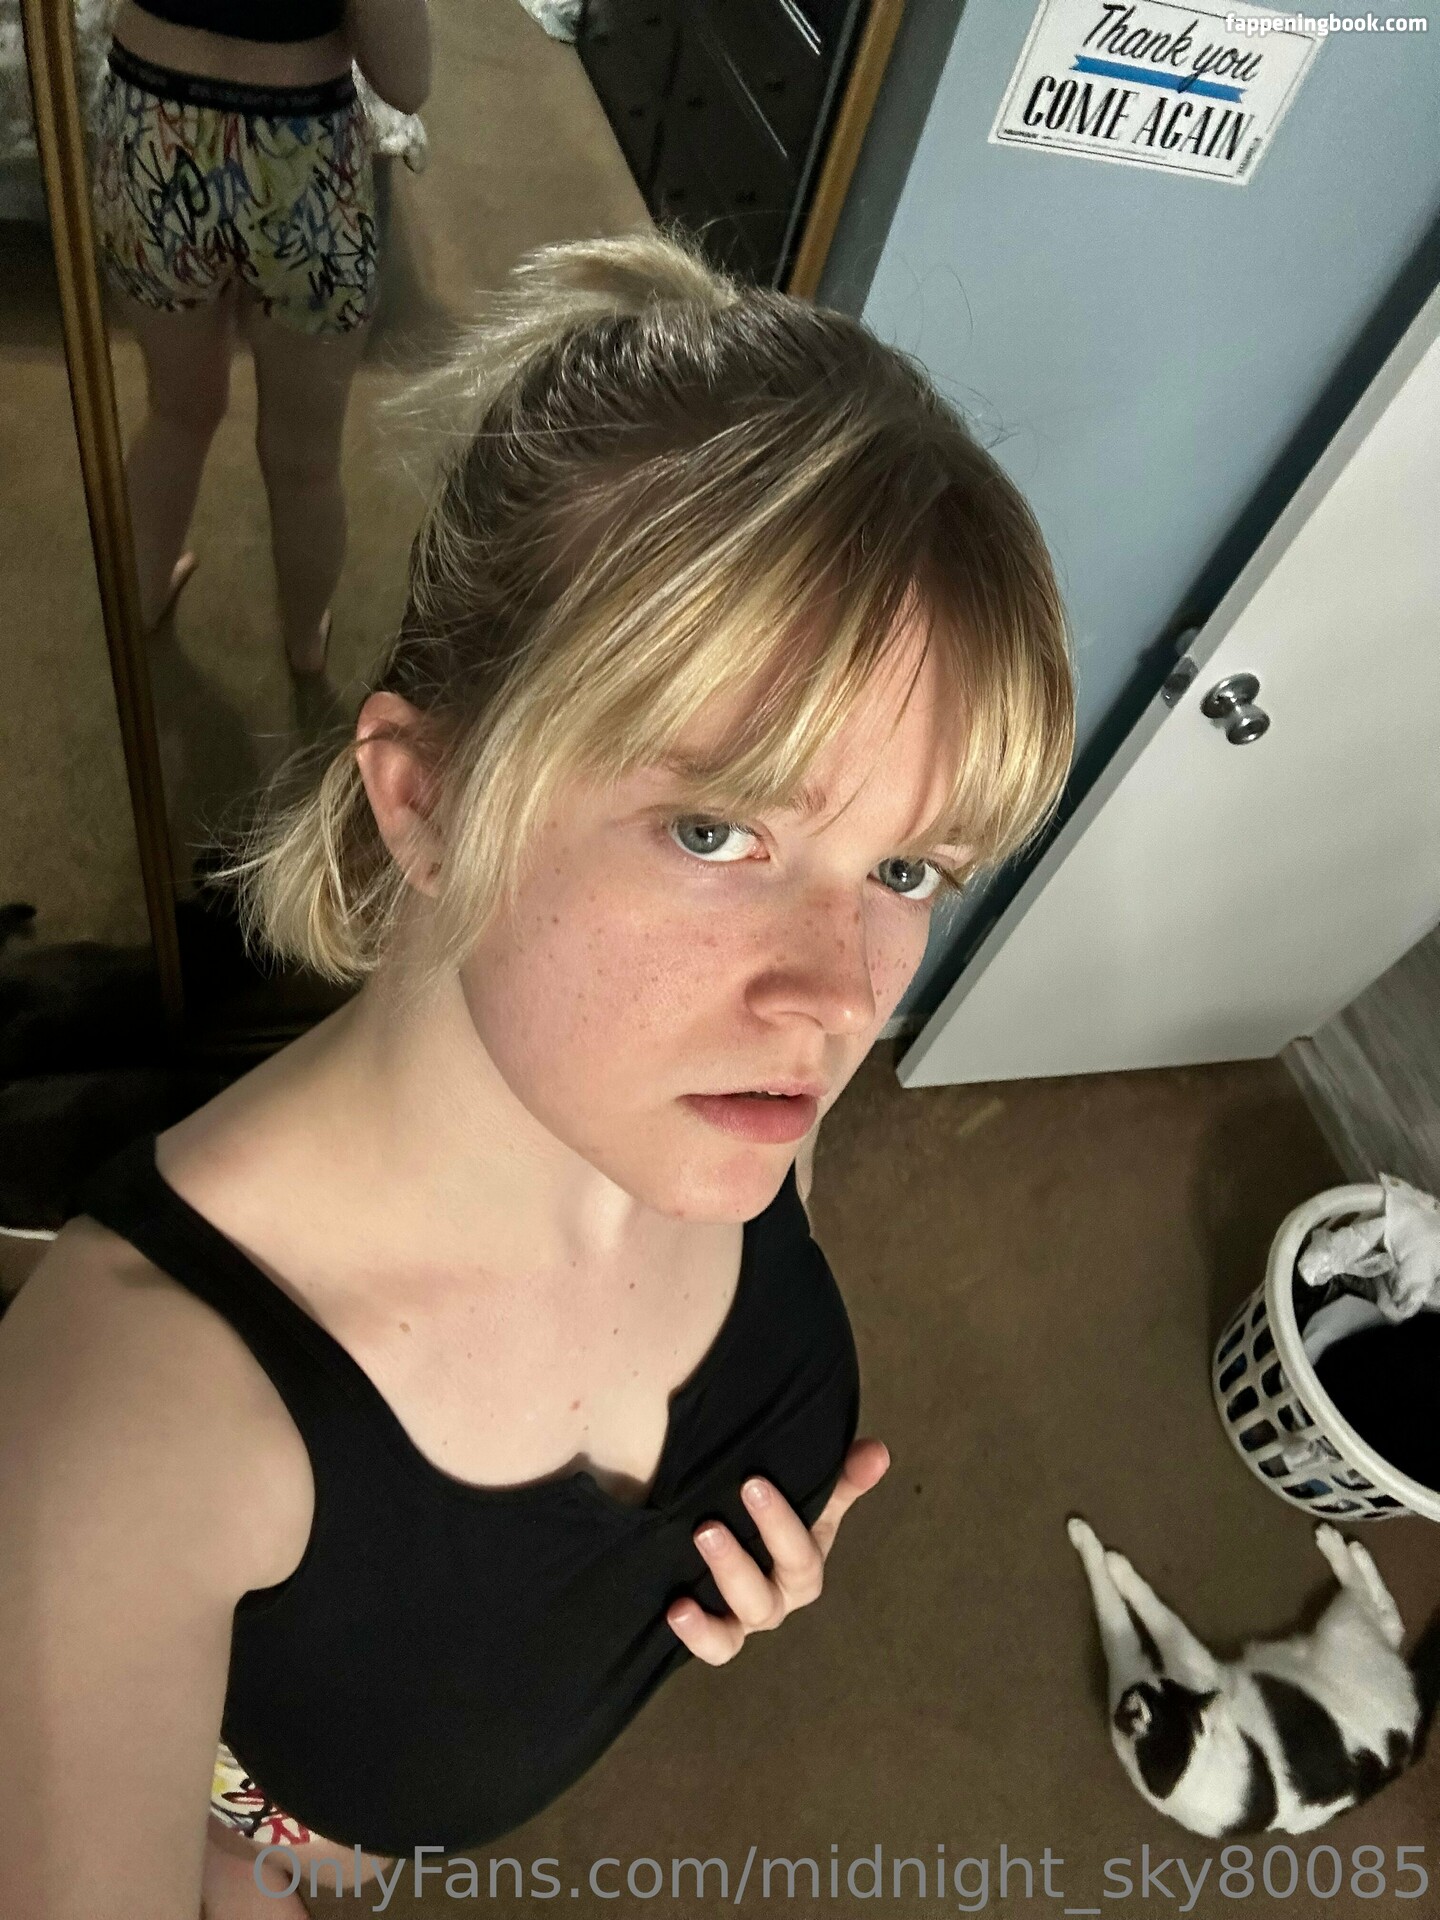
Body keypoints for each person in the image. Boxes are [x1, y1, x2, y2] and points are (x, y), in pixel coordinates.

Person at [0, 227, 1076, 1918]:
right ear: (422, 801)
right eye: (715, 831)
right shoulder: (131, 1423)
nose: (838, 999)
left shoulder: (714, 1106)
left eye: (906, 867)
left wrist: (684, 1586)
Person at [92, 0, 432, 673]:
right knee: (305, 458)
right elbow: (405, 79)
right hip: (301, 148)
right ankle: (304, 640)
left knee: (175, 412)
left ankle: (141, 597)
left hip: (151, 125)